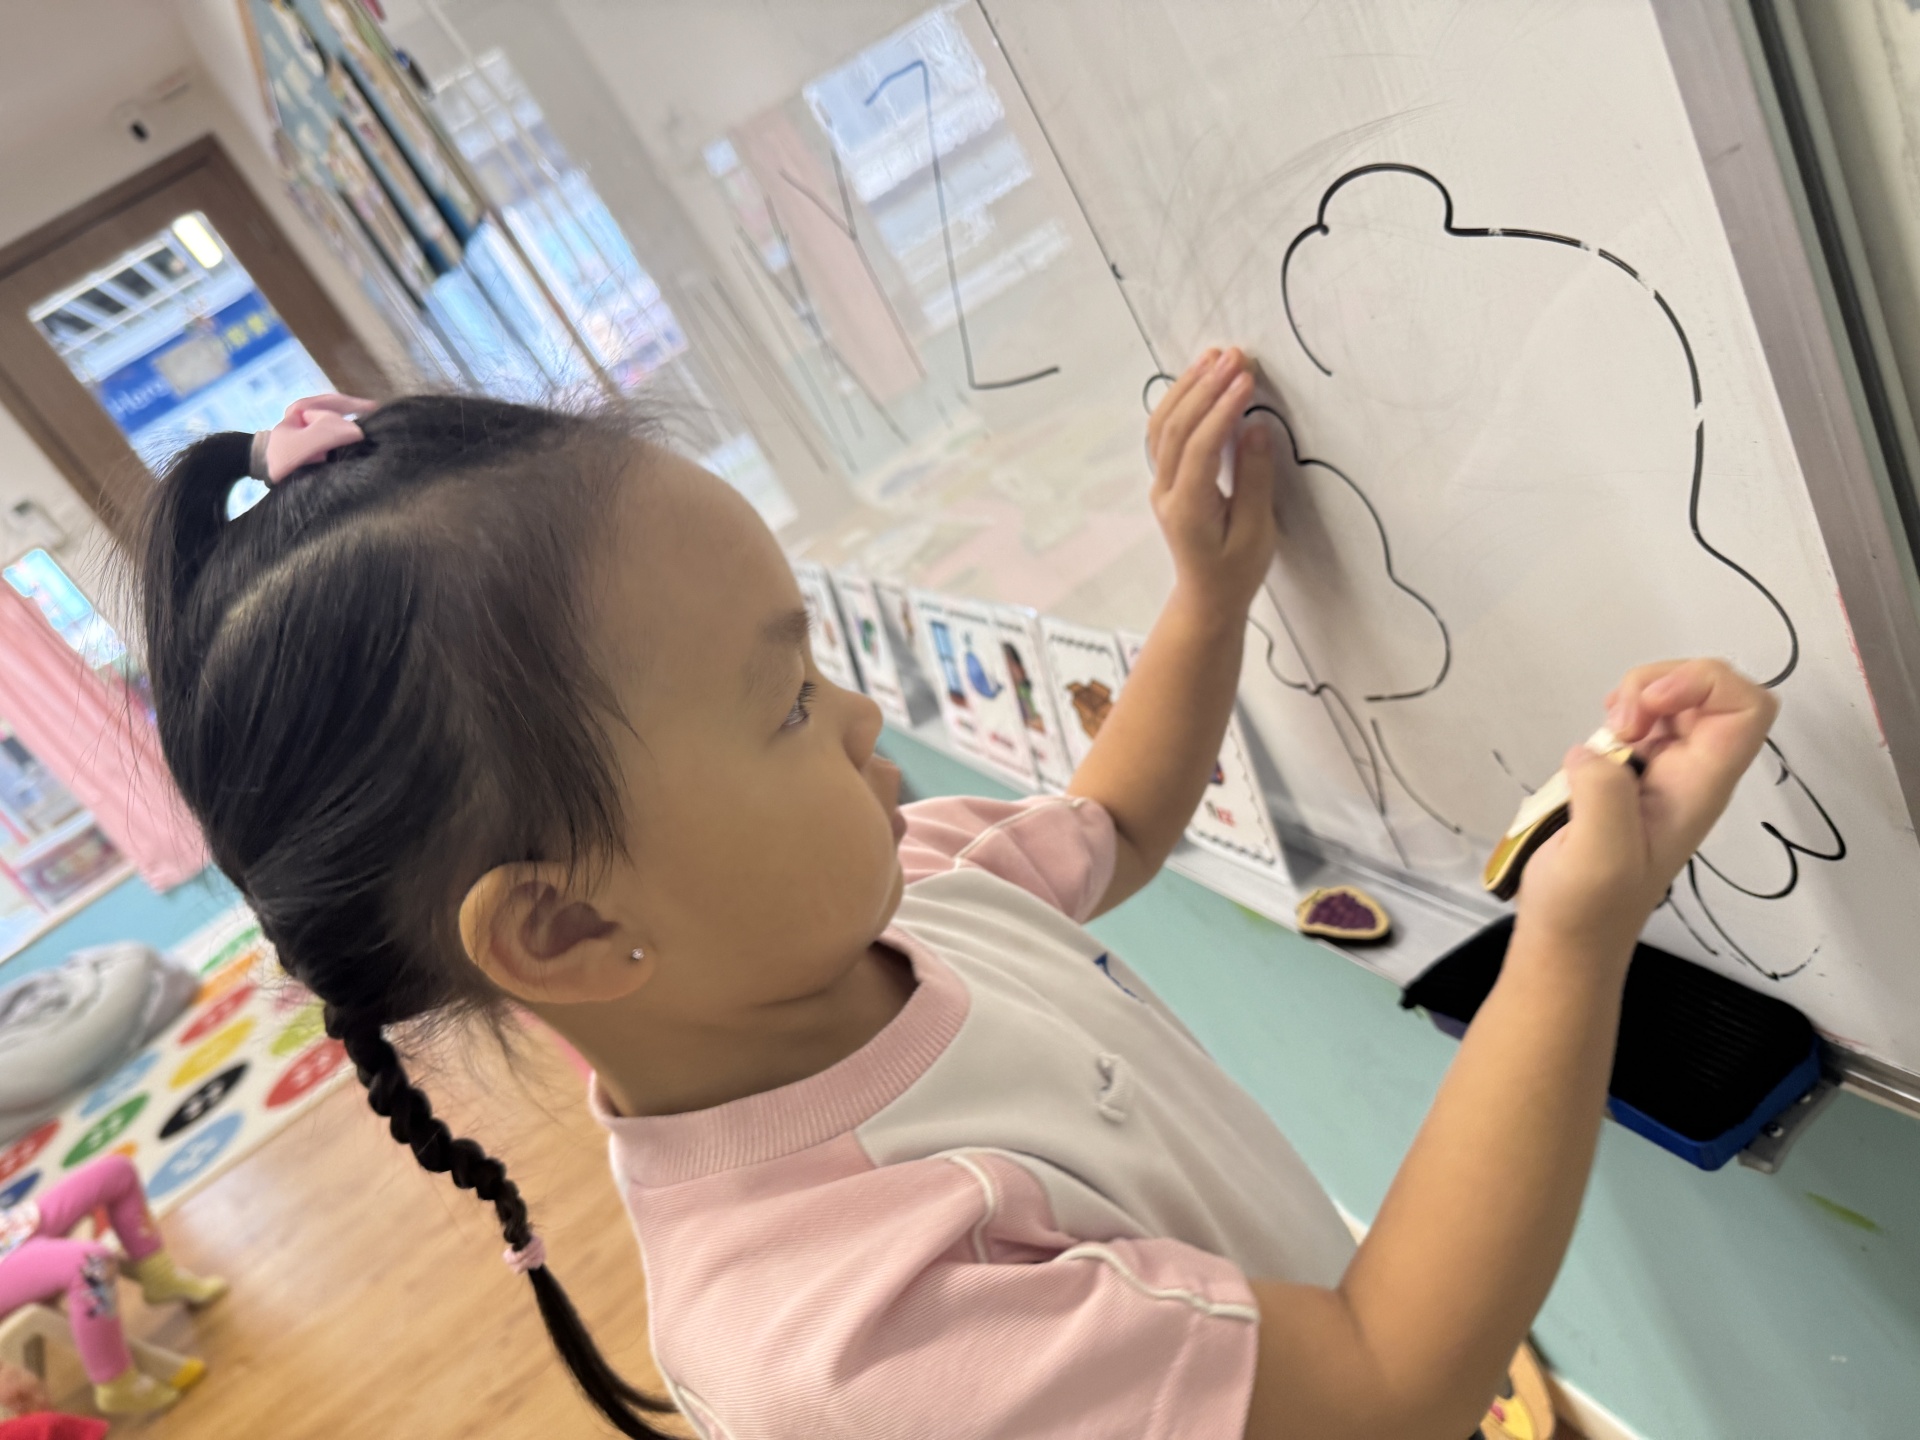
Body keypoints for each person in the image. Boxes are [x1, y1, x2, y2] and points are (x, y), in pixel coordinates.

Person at [139, 369, 1775, 1439]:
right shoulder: (854, 1328)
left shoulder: (888, 898)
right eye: (789, 704)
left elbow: (1113, 816)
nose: (864, 721)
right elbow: (1384, 1379)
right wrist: (1573, 936)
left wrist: (1208, 600)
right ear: (564, 929)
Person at [0, 1154, 225, 1415]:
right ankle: (115, 1382)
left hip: (9, 1233)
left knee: (117, 1171)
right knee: (92, 1265)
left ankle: (159, 1275)